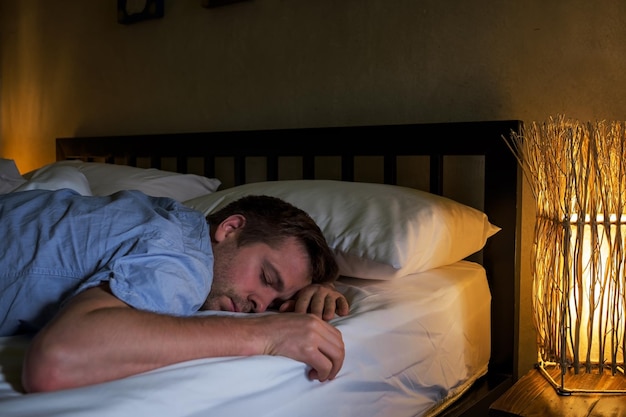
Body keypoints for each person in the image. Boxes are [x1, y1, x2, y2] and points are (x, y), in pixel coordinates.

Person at [0, 188, 349, 393]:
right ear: (230, 228)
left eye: (277, 301)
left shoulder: (171, 221)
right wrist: (264, 335)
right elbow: (57, 361)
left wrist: (320, 286)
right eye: (267, 278)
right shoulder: (186, 261)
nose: (261, 306)